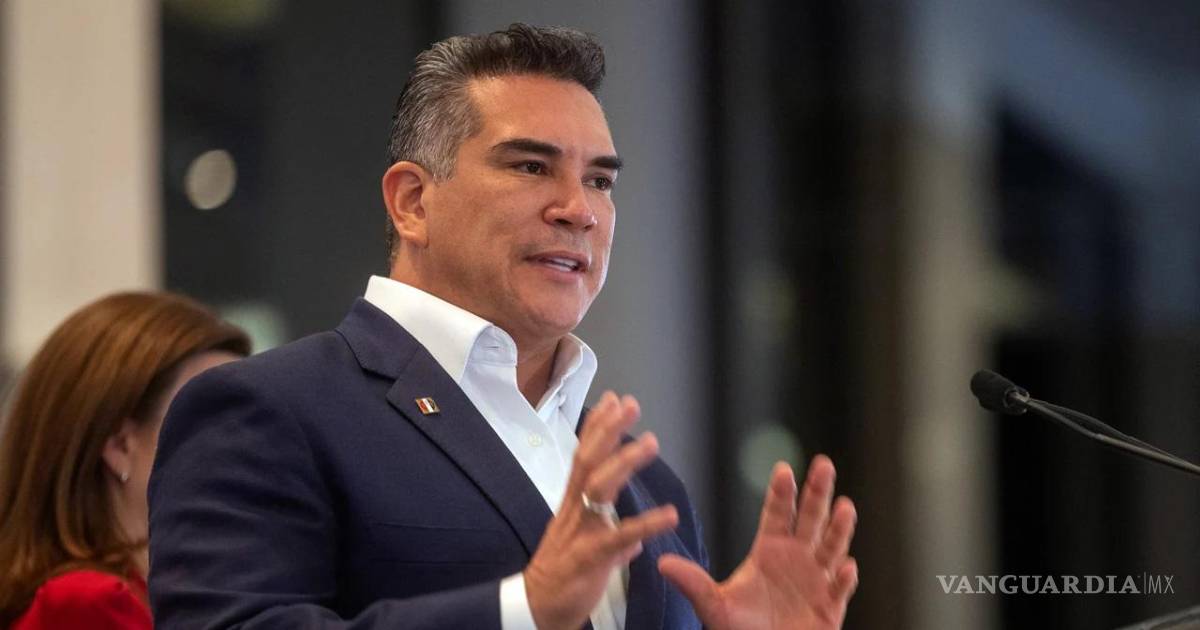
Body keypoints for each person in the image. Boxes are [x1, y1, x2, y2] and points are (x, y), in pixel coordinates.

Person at [148, 23, 858, 630]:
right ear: (412, 201)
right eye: (531, 166)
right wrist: (522, 610)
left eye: (601, 181)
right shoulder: (270, 410)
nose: (579, 209)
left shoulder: (647, 482)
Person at [0, 292, 251, 629]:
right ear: (119, 446)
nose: (249, 450)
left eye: (248, 424)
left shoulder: (155, 596)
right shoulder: (92, 603)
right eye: (212, 425)